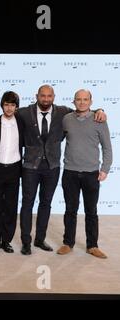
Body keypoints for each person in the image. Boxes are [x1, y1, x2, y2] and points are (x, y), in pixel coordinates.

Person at [0, 84, 106, 255]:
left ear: (54, 97)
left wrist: (100, 110)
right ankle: (26, 242)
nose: (45, 99)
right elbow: (7, 113)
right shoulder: (24, 112)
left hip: (52, 167)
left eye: (49, 96)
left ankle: (39, 239)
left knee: (46, 203)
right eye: (42, 95)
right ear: (37, 96)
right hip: (30, 166)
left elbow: (82, 109)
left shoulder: (63, 112)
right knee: (27, 204)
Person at [57, 89, 112, 259]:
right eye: (78, 99)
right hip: (70, 172)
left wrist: (105, 169)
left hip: (91, 173)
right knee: (70, 210)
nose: (82, 102)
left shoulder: (99, 120)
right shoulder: (66, 119)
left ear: (91, 101)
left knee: (91, 211)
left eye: (85, 99)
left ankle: (92, 246)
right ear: (73, 102)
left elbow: (107, 147)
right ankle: (68, 243)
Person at [0, 91, 23, 254]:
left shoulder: (22, 122)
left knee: (10, 206)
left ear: (16, 107)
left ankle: (6, 240)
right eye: (6, 105)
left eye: (12, 105)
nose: (9, 108)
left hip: (14, 169)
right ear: (2, 106)